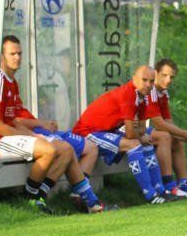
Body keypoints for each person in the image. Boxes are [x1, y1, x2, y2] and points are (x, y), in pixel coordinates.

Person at [0, 36, 109, 213]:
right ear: (1, 57)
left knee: (66, 149)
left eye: (19, 53)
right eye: (12, 54)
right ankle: (30, 196)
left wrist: (33, 134)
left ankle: (84, 201)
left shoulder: (11, 82)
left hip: (7, 134)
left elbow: (13, 120)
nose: (17, 57)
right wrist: (29, 135)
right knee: (48, 150)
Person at [73, 66, 178, 204]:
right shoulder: (128, 94)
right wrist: (140, 136)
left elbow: (141, 129)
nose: (148, 84)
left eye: (151, 81)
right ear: (134, 78)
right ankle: (150, 194)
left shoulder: (143, 96)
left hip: (106, 132)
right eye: (144, 80)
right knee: (133, 144)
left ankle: (160, 190)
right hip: (87, 133)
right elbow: (130, 134)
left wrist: (141, 135)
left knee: (146, 142)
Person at [146, 59, 187, 198]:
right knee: (165, 136)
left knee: (175, 139)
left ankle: (184, 185)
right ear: (155, 73)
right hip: (129, 130)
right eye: (164, 75)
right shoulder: (150, 90)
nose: (168, 80)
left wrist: (186, 138)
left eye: (171, 77)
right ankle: (169, 186)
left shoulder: (163, 93)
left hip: (144, 130)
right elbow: (159, 124)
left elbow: (169, 122)